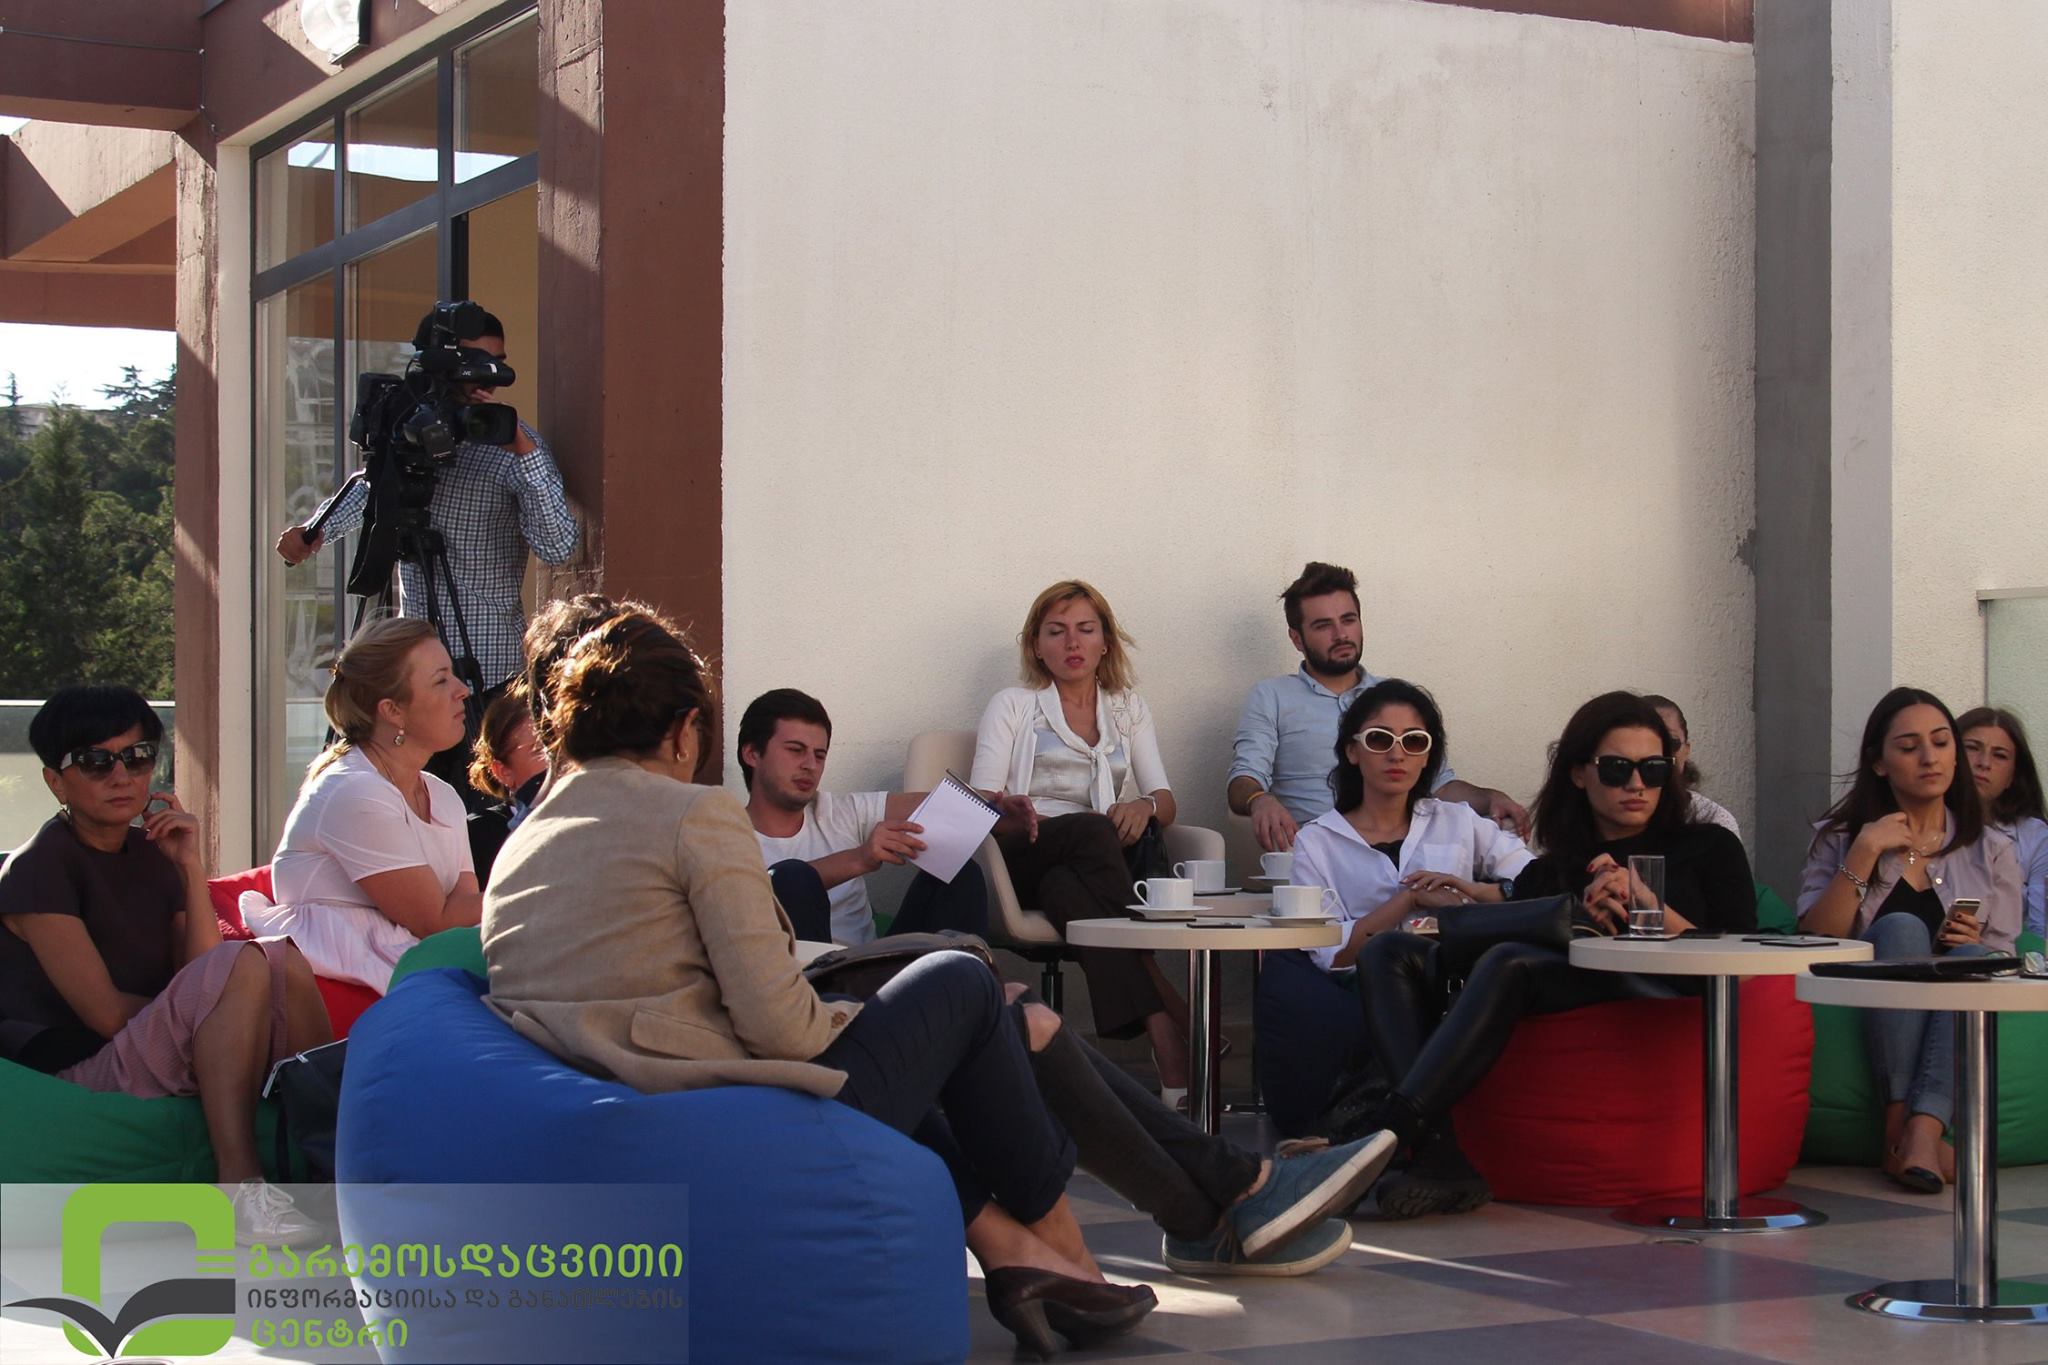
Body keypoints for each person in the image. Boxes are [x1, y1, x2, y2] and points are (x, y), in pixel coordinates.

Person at [481, 609, 1172, 1355]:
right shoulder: (696, 815)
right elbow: (783, 1029)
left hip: (612, 1088)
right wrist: (857, 1011)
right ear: (684, 731)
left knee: (939, 1040)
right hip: (717, 1096)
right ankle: (1064, 1250)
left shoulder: (525, 840)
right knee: (965, 984)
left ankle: (1018, 1255)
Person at [1336, 691, 1755, 1218]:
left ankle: (1392, 1131)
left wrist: (1647, 905)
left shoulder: (1709, 846)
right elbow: (1514, 901)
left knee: (1510, 960)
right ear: (1579, 773)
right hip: (1573, 984)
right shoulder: (1562, 864)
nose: (1636, 784)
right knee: (1388, 951)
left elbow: (1743, 951)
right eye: (1617, 768)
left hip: (1662, 994)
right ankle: (1439, 1152)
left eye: (1653, 768)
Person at [0, 687, 328, 1242]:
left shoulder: (152, 853)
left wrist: (188, 868)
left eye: (138, 757)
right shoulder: (39, 869)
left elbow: (204, 968)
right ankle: (238, 1187)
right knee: (245, 965)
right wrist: (209, 1018)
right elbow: (107, 1015)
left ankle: (332, 1162)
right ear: (56, 781)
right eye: (96, 761)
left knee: (280, 961)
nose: (122, 776)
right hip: (83, 1068)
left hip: (147, 1045)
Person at [275, 303, 580, 805]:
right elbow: (374, 489)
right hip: (411, 674)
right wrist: (315, 532)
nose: (489, 378)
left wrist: (522, 451)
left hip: (488, 672)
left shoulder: (510, 443)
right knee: (396, 803)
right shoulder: (407, 428)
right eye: (477, 363)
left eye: (498, 364)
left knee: (483, 810)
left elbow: (559, 545)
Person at [1255, 680, 1534, 1136]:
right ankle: (1409, 1129)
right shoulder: (1318, 841)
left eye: (1414, 742)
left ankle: (1414, 1128)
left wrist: (1471, 891)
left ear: (1427, 757)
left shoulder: (1458, 821)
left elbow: (1533, 880)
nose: (1397, 754)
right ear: (1352, 751)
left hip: (1457, 979)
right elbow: (1332, 955)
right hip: (1364, 990)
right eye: (1380, 739)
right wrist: (1408, 899)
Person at [970, 580, 1190, 1101]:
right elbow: (978, 805)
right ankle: (1170, 1007)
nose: (1072, 643)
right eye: (1056, 631)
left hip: (1087, 868)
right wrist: (1013, 810)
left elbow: (1166, 800)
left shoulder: (1128, 708)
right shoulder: (1013, 705)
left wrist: (1143, 805)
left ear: (1105, 641)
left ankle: (1162, 1039)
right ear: (1036, 645)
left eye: (1086, 629)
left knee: (1066, 888)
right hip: (1020, 853)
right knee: (1092, 828)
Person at [1798, 687, 2021, 1193]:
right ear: (1879, 763)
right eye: (1909, 746)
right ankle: (1907, 1129)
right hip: (1862, 992)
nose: (1929, 758)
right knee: (1901, 928)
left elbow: (2004, 956)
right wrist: (1865, 851)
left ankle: (1917, 1132)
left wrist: (1975, 941)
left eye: (1942, 743)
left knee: (1973, 957)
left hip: (1952, 1001)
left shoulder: (1992, 849)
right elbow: (1816, 938)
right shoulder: (1841, 837)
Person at [249, 618, 482, 993]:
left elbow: (464, 908)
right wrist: (541, 889)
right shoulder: (355, 790)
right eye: (441, 680)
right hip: (338, 993)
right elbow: (437, 921)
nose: (463, 690)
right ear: (393, 711)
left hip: (403, 980)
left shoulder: (441, 795)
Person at [1227, 561, 1527, 852]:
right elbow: (1243, 779)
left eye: (1348, 620)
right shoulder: (1273, 696)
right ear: (1297, 639)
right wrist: (1258, 799)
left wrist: (1490, 798)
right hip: (1318, 852)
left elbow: (1439, 784)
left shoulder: (1395, 698)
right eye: (1323, 626)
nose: (1341, 635)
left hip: (1405, 854)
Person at [737, 688, 1014, 945]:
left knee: (960, 874)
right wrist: (860, 858)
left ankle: (970, 978)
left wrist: (997, 810)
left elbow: (936, 806)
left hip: (872, 968)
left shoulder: (839, 811)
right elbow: (754, 898)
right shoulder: (727, 836)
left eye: (819, 755)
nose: (810, 765)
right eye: (795, 750)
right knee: (791, 877)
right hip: (800, 976)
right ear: (752, 754)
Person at [1958, 706, 2048, 940]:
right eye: (1972, 748)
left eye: (1999, 755)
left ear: (2012, 777)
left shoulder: (2035, 836)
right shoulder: (1922, 823)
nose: (1984, 763)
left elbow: (2042, 932)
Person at [466, 690, 549, 888]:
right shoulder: (480, 835)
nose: (557, 756)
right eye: (539, 749)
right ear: (503, 772)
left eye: (558, 741)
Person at [1643, 693, 1741, 837]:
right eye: (1645, 744)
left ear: (1686, 750)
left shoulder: (1713, 820)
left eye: (1670, 743)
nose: (1659, 753)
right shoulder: (1611, 814)